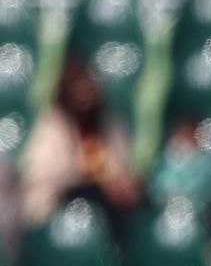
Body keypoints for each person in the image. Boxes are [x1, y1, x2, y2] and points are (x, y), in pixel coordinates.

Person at [18, 58, 137, 231]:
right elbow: (40, 175)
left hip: (104, 202)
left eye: (89, 88)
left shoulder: (106, 124)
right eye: (80, 89)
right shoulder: (51, 126)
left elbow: (120, 169)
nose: (86, 95)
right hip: (58, 201)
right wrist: (89, 178)